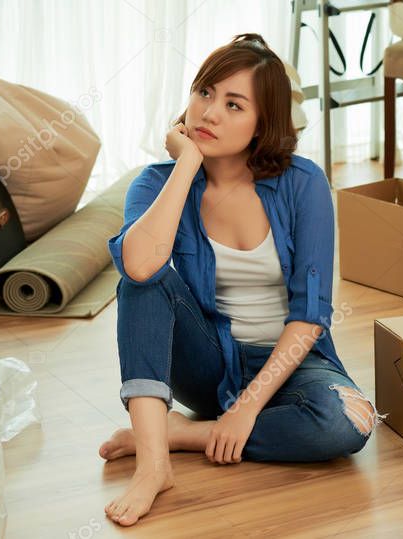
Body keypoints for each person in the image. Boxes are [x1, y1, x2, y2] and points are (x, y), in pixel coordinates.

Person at [99, 33, 381, 526]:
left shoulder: (303, 182)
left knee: (347, 424)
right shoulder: (155, 182)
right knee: (139, 281)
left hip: (292, 364)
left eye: (234, 105)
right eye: (204, 93)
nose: (209, 113)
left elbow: (311, 314)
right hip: (208, 362)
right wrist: (187, 165)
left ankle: (181, 435)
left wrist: (246, 410)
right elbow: (140, 266)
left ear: (262, 123)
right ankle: (153, 465)